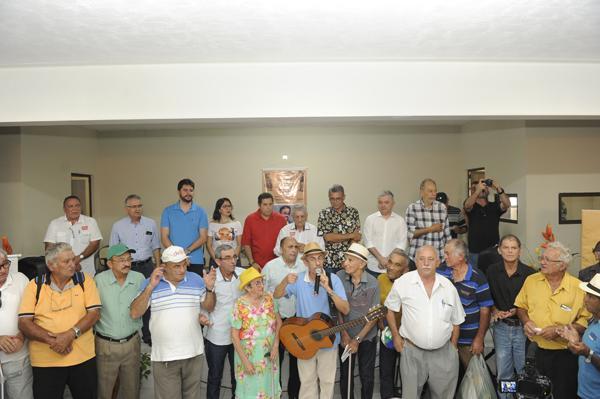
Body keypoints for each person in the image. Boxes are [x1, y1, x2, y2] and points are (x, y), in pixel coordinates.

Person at [130, 245, 216, 399]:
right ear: (164, 267)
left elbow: (209, 307)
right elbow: (135, 313)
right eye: (176, 266)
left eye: (184, 264)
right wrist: (151, 286)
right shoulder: (150, 283)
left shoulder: (196, 279)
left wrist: (209, 289)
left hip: (193, 354)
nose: (182, 269)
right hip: (165, 357)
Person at [18, 243, 102, 399]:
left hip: (82, 359)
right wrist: (55, 341)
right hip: (46, 362)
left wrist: (70, 335)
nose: (73, 264)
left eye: (73, 260)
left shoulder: (84, 281)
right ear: (51, 265)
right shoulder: (35, 286)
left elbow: (94, 314)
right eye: (66, 262)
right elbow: (24, 323)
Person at [384, 245, 465, 399]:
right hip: (412, 352)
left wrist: (453, 347)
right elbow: (390, 309)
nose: (426, 263)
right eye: (422, 259)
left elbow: (457, 320)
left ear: (438, 262)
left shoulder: (448, 287)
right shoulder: (403, 282)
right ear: (416, 261)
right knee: (410, 395)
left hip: (443, 353)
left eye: (430, 259)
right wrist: (395, 336)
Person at [515, 241, 591, 399]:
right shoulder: (531, 280)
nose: (542, 262)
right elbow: (520, 307)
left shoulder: (578, 287)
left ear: (562, 265)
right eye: (541, 258)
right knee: (533, 393)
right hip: (534, 350)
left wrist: (559, 330)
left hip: (564, 355)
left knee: (563, 394)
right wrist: (526, 321)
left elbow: (585, 321)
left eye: (547, 259)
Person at [274, 242, 350, 399]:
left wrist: (328, 288)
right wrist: (285, 281)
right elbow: (277, 294)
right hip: (304, 340)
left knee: (327, 382)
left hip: (328, 340)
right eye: (313, 258)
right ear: (305, 262)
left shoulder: (333, 279)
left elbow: (345, 309)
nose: (317, 262)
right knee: (307, 382)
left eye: (320, 258)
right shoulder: (299, 280)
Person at [485, 234, 535, 398]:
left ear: (519, 251)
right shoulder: (492, 271)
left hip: (523, 329)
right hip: (501, 327)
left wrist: (518, 310)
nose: (510, 251)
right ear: (499, 250)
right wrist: (494, 310)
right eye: (505, 247)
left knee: (524, 370)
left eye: (514, 248)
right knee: (504, 372)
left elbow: (534, 302)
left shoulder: (529, 274)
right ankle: (506, 396)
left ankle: (522, 396)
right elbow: (487, 297)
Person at [93, 244, 145, 399]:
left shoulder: (138, 278)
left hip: (132, 344)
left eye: (129, 259)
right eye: (121, 260)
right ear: (110, 263)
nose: (127, 263)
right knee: (104, 390)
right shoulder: (99, 280)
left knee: (131, 389)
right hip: (106, 345)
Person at [109, 194, 160, 344]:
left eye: (139, 206)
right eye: (133, 206)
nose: (137, 209)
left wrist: (157, 265)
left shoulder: (151, 223)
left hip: (147, 266)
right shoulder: (118, 226)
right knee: (127, 299)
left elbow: (156, 246)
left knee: (149, 299)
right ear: (126, 209)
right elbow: (113, 250)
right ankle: (129, 332)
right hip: (128, 268)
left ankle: (148, 335)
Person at [437, 239, 493, 368]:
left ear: (461, 257)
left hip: (469, 341)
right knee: (446, 381)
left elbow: (485, 311)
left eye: (447, 253)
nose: (444, 256)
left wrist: (479, 339)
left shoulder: (477, 277)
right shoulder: (440, 272)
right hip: (444, 340)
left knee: (474, 381)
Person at [263, 237, 306, 399]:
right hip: (276, 320)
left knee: (297, 363)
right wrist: (273, 313)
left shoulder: (303, 266)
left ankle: (294, 395)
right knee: (275, 362)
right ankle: (276, 394)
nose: (294, 250)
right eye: (290, 247)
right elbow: (262, 292)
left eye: (296, 246)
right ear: (281, 249)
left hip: (298, 321)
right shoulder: (270, 267)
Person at [336, 243, 380, 399]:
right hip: (345, 335)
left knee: (366, 376)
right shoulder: (339, 277)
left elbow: (374, 317)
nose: (345, 263)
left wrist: (357, 339)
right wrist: (344, 334)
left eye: (350, 260)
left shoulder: (374, 282)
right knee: (345, 376)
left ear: (362, 264)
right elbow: (338, 308)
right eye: (345, 259)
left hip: (367, 336)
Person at [230, 267, 282, 399]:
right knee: (250, 391)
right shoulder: (239, 304)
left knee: (269, 389)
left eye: (262, 282)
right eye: (257, 283)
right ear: (247, 288)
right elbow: (234, 336)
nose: (262, 285)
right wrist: (245, 361)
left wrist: (276, 345)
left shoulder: (270, 298)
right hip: (249, 356)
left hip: (270, 354)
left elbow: (279, 322)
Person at [203, 244, 244, 399]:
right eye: (227, 258)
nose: (233, 261)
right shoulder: (210, 279)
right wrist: (210, 288)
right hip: (217, 336)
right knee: (214, 377)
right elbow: (206, 307)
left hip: (239, 336)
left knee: (238, 377)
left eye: (234, 257)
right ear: (218, 261)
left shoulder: (243, 274)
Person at [557, 274, 600, 399]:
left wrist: (587, 353)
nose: (585, 300)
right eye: (586, 295)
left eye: (591, 297)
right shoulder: (593, 321)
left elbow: (590, 352)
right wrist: (577, 341)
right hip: (584, 392)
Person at [0, 249, 33, 399]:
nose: (3, 270)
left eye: (5, 264)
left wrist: (22, 335)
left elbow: (35, 313)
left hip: (18, 360)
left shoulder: (20, 280)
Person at [377, 248, 410, 399]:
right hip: (388, 331)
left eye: (396, 265)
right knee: (386, 370)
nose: (390, 266)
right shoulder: (380, 279)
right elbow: (376, 305)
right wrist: (381, 324)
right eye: (390, 261)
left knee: (408, 372)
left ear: (405, 269)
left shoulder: (411, 284)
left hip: (408, 333)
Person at [44, 195, 103, 276]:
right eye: (70, 206)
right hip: (61, 272)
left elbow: (95, 244)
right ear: (64, 209)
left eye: (77, 206)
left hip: (85, 271)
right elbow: (49, 248)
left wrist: (79, 258)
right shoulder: (55, 224)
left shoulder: (90, 222)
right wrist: (69, 263)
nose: (75, 209)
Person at [160, 178, 209, 276]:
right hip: (173, 261)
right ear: (179, 191)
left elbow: (203, 237)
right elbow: (164, 237)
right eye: (185, 190)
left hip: (195, 261)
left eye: (191, 190)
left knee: (196, 290)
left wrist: (185, 252)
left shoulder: (201, 211)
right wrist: (178, 255)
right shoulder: (168, 211)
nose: (188, 193)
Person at [463, 178, 510, 267]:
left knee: (494, 277)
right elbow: (467, 205)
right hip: (475, 251)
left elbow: (507, 204)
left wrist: (498, 188)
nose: (482, 190)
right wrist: (477, 191)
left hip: (493, 251)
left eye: (485, 188)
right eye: (479, 188)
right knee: (476, 277)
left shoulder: (494, 206)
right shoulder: (471, 206)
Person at [363, 190, 408, 277]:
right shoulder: (370, 219)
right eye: (380, 202)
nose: (383, 205)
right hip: (372, 267)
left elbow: (401, 245)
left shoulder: (400, 221)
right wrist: (380, 259)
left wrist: (387, 261)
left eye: (386, 202)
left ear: (393, 203)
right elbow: (368, 242)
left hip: (393, 268)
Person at [317, 184, 361, 273]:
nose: (335, 201)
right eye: (332, 199)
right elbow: (328, 238)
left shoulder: (353, 212)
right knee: (329, 286)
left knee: (347, 286)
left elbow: (357, 237)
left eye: (338, 198)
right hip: (329, 262)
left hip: (348, 261)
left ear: (344, 197)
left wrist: (347, 258)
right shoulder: (324, 213)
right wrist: (350, 235)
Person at [405, 178, 451, 261]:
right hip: (417, 259)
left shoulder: (442, 207)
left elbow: (447, 235)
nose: (434, 194)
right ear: (422, 192)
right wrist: (430, 229)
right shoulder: (412, 208)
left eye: (435, 191)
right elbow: (409, 234)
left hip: (438, 258)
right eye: (430, 191)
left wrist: (449, 253)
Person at [242, 192, 287, 270]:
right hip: (257, 266)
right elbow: (246, 243)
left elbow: (286, 242)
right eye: (265, 204)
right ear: (259, 205)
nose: (268, 207)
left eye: (270, 204)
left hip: (277, 264)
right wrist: (252, 262)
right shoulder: (250, 219)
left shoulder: (281, 219)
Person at [206, 197, 243, 268]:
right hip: (217, 260)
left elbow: (239, 245)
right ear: (219, 210)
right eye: (225, 206)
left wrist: (233, 259)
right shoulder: (212, 225)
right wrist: (216, 260)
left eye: (229, 206)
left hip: (233, 259)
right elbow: (209, 245)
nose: (228, 208)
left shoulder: (237, 224)